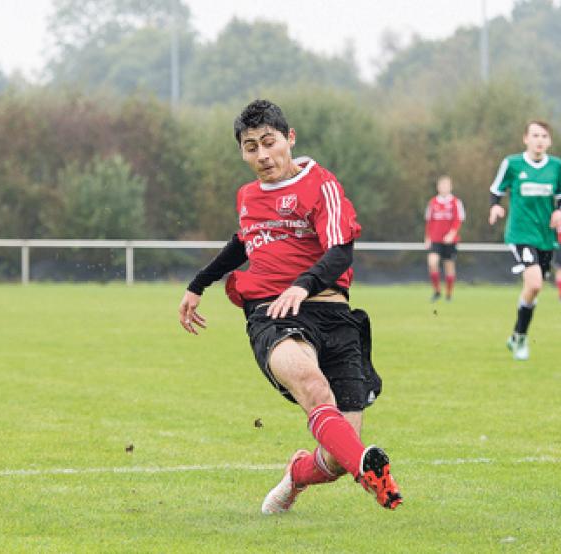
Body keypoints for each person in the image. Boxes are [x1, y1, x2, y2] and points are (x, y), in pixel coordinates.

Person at [177, 100, 402, 514]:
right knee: (312, 388)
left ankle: (299, 472)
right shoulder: (247, 196)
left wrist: (304, 285)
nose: (262, 155)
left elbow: (340, 250)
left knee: (336, 456)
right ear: (242, 152)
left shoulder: (322, 185)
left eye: (269, 142)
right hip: (273, 314)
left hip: (333, 317)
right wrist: (198, 285)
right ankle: (370, 472)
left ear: (289, 138)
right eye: (250, 147)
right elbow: (242, 243)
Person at [489, 120, 561, 360]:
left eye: (544, 136)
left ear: (550, 141)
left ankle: (517, 334)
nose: (539, 140)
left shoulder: (557, 167)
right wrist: (495, 208)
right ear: (525, 138)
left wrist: (560, 212)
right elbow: (496, 191)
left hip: (546, 238)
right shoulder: (512, 164)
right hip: (520, 234)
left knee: (532, 290)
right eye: (535, 135)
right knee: (534, 283)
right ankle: (522, 341)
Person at [424, 175, 465, 302]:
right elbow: (429, 221)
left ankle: (448, 294)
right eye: (442, 185)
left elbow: (459, 220)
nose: (444, 187)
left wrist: (452, 233)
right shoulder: (432, 202)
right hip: (435, 240)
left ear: (451, 187)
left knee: (449, 266)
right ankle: (437, 291)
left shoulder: (456, 202)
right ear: (438, 187)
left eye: (446, 185)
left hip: (450, 241)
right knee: (432, 262)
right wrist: (427, 237)